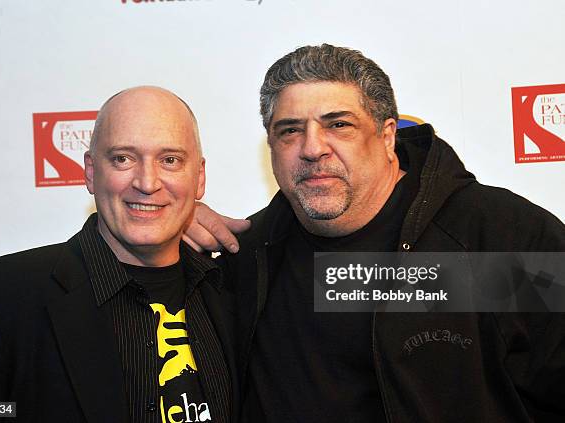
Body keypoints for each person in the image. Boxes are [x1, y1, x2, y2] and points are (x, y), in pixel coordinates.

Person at [186, 45, 565, 422]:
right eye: (290, 130)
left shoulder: (498, 239)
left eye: (339, 124)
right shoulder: (246, 258)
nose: (313, 148)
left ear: (387, 136)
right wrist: (166, 227)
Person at [0, 86, 236, 423]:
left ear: (199, 177)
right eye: (123, 159)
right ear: (90, 171)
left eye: (170, 160)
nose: (147, 182)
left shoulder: (232, 290)